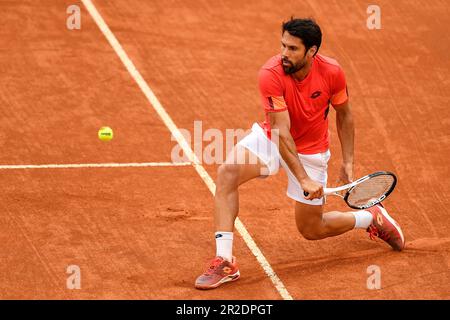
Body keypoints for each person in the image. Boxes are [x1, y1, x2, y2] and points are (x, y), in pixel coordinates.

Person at [195, 18, 405, 290]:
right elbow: (282, 133)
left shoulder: (332, 72)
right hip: (272, 138)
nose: (284, 53)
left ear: (312, 51)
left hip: (313, 150)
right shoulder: (270, 74)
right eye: (283, 45)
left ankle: (369, 218)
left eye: (293, 48)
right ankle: (224, 261)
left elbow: (345, 115)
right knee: (227, 173)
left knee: (311, 229)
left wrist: (349, 161)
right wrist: (304, 180)